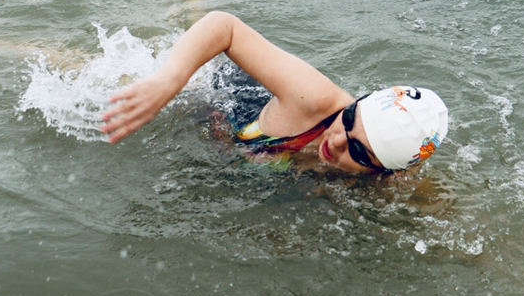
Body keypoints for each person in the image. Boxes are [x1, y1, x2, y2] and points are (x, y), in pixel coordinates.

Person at [100, 11, 448, 174]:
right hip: (218, 96)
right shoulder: (315, 101)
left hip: (224, 145)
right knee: (107, 78)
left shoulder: (387, 182)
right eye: (351, 120)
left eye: (358, 151)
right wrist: (168, 81)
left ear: (384, 171)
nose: (339, 140)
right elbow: (225, 28)